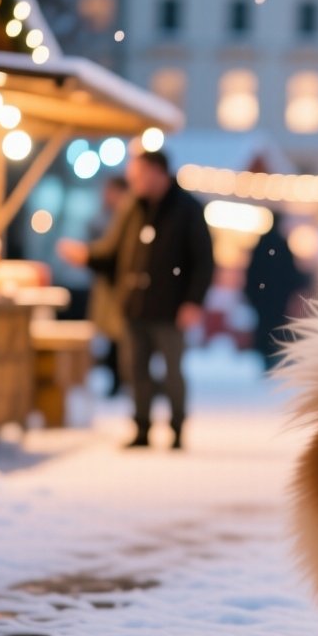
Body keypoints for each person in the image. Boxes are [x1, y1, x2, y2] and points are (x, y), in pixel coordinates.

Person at [59, 150, 214, 450]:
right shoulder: (131, 208)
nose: (135, 182)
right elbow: (113, 252)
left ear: (158, 173)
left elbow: (204, 261)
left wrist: (193, 301)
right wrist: (88, 256)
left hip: (171, 307)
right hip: (134, 306)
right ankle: (141, 428)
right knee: (135, 370)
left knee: (172, 372)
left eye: (139, 175)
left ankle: (177, 428)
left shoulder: (188, 209)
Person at [244, 211, 307, 368]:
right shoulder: (281, 244)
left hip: (263, 298)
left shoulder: (262, 243)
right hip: (277, 298)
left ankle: (266, 358)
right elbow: (290, 273)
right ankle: (272, 358)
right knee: (275, 329)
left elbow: (253, 271)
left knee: (264, 328)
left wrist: (252, 293)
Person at [86, 176, 129, 397]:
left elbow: (107, 252)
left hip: (121, 289)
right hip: (108, 287)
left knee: (121, 338)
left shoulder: (126, 218)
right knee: (113, 337)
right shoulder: (104, 217)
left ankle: (122, 380)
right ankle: (118, 380)